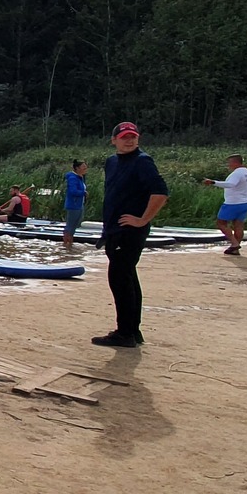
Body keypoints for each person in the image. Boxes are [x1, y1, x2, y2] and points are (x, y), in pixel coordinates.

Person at [94, 121, 169, 348]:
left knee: (119, 278)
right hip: (114, 229)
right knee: (126, 277)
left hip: (130, 230)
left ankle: (125, 333)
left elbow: (160, 192)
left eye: (133, 136)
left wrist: (143, 219)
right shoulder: (112, 161)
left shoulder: (142, 161)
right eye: (124, 136)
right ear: (114, 139)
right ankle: (132, 331)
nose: (129, 140)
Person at [203, 155, 247, 255]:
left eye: (230, 163)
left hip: (233, 203)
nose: (229, 165)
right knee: (239, 225)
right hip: (245, 202)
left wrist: (213, 182)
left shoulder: (237, 174)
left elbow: (230, 184)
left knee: (221, 223)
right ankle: (235, 249)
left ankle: (234, 243)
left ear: (236, 162)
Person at [62, 159, 89, 252]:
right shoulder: (73, 178)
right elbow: (72, 191)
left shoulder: (80, 177)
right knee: (70, 226)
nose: (85, 168)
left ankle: (70, 246)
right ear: (77, 168)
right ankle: (66, 246)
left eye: (86, 167)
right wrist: (83, 193)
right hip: (73, 205)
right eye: (83, 167)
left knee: (74, 226)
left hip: (79, 205)